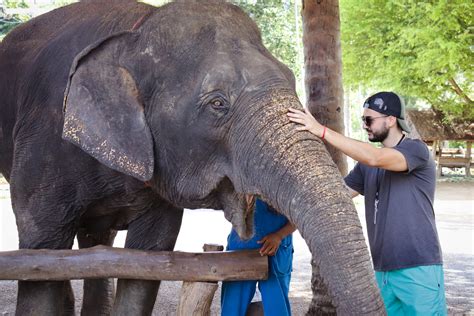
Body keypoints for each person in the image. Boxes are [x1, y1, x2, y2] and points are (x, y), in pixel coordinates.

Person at [287, 91, 447, 315]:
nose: (365, 125)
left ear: (391, 120)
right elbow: (332, 197)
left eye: (369, 120)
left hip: (418, 267)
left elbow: (376, 157)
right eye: (363, 120)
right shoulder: (366, 167)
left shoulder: (416, 150)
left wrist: (320, 130)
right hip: (383, 272)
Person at [221, 198, 296, 316]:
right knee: (232, 309)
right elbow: (225, 205)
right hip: (240, 250)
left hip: (276, 251)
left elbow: (299, 216)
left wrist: (279, 236)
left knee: (277, 308)